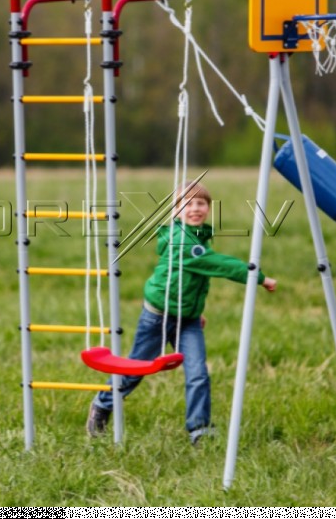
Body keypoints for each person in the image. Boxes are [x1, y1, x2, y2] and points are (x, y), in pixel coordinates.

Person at [86, 180, 277, 445]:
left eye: (201, 203)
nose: (195, 209)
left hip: (187, 319)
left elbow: (192, 280)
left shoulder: (198, 237)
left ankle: (199, 430)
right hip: (157, 317)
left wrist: (195, 311)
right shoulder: (181, 241)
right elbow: (217, 265)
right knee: (137, 368)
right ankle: (102, 404)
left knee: (198, 372)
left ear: (209, 209)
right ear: (175, 211)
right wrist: (258, 277)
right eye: (187, 204)